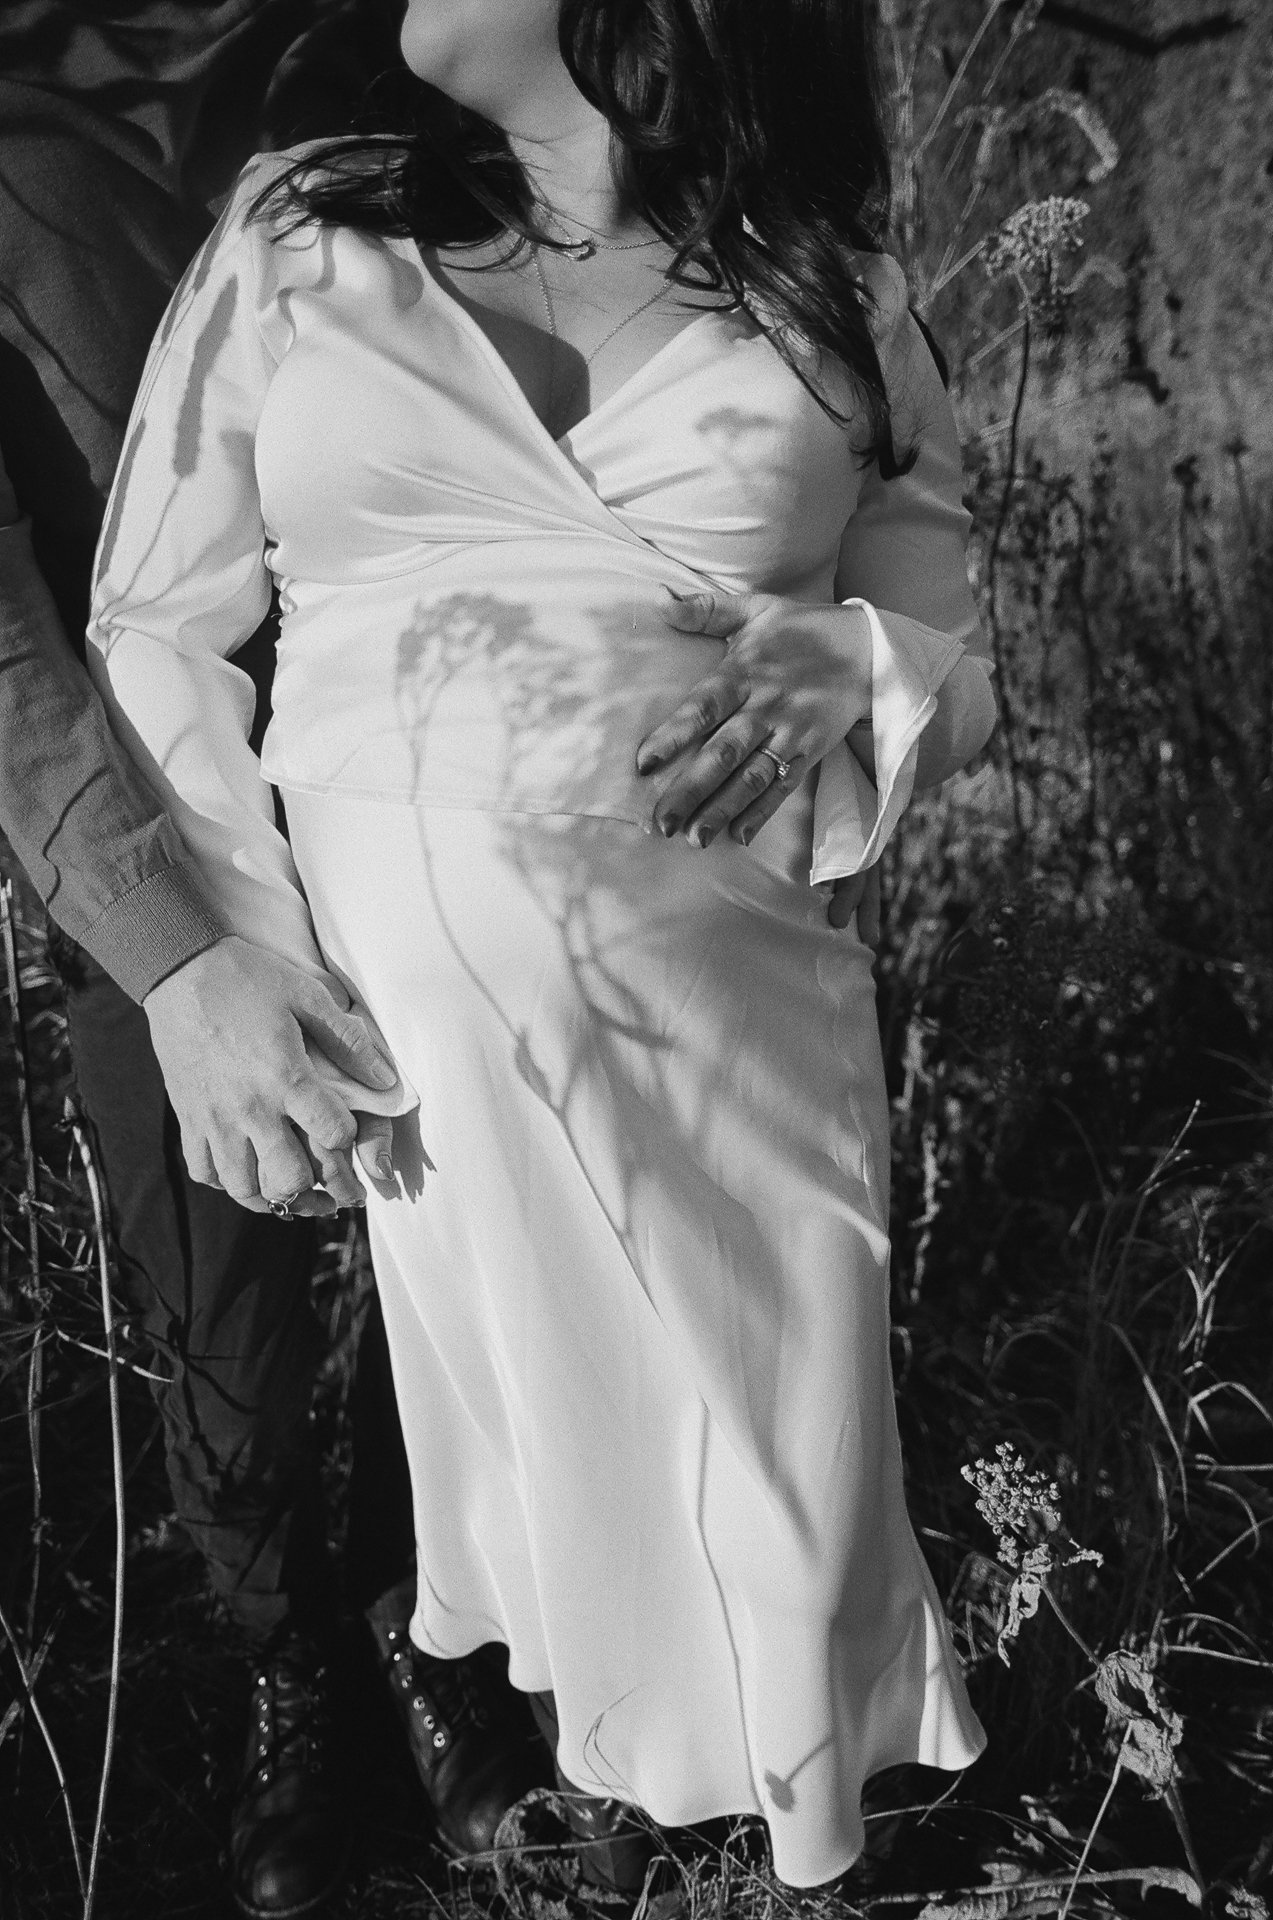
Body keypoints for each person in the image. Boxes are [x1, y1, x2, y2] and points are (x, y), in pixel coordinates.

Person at [86, 0, 998, 1894]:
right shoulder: (302, 229)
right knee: (537, 1449)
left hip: (726, 998)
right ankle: (613, 1794)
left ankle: (800, 1849)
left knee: (772, 1471)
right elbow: (157, 619)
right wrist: (237, 957)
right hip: (411, 1028)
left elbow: (956, 654)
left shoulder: (833, 295)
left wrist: (860, 660)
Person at [0, 8, 547, 1914]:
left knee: (457, 1261)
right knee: (216, 1303)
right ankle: (289, 1663)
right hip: (150, 858)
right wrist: (168, 951)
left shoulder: (409, 57)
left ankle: (441, 1622)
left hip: (440, 808)